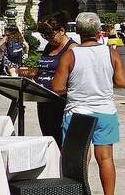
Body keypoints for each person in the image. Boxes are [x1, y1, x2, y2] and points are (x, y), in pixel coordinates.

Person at [52, 12, 125, 195]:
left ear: (77, 31)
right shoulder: (110, 53)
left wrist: (76, 87)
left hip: (77, 112)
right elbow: (122, 82)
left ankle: (80, 192)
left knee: (78, 159)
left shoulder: (71, 55)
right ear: (99, 31)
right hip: (105, 111)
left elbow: (57, 87)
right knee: (106, 158)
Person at [30, 12, 73, 148]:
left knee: (62, 141)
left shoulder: (72, 48)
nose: (48, 39)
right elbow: (42, 67)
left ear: (62, 30)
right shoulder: (49, 47)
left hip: (60, 101)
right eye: (45, 36)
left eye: (50, 35)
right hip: (43, 100)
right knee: (50, 139)